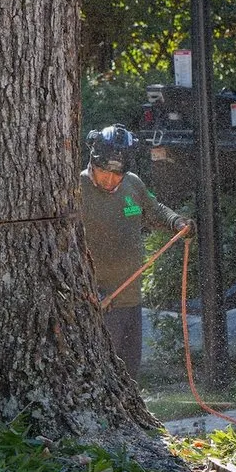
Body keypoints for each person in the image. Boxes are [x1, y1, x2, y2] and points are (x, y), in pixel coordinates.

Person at [80, 124, 194, 381]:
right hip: (99, 304)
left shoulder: (133, 185)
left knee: (129, 375)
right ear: (93, 161)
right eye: (104, 172)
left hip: (131, 300)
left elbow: (156, 210)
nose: (110, 180)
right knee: (102, 376)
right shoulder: (77, 189)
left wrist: (176, 222)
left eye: (117, 175)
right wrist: (88, 292)